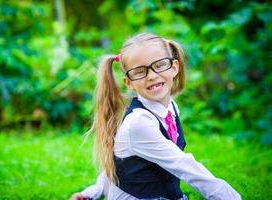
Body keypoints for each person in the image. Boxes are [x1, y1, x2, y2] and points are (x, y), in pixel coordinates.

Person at [71, 33, 241, 200]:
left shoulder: (169, 108)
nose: (152, 76)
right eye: (139, 71)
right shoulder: (138, 123)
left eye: (159, 65)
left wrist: (91, 192)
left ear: (174, 67)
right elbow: (183, 165)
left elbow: (122, 164)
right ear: (129, 82)